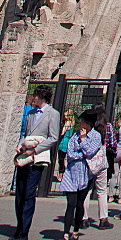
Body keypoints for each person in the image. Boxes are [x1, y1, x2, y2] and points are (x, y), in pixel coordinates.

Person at [14, 84, 61, 240]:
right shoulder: (30, 114)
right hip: (24, 158)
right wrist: (20, 145)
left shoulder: (52, 114)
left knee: (28, 194)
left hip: (37, 158)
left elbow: (53, 138)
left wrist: (35, 150)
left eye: (35, 95)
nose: (33, 98)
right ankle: (19, 226)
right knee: (20, 194)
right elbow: (26, 133)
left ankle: (24, 231)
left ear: (41, 97)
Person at [59, 110, 102, 240]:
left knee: (79, 203)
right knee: (70, 203)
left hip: (85, 174)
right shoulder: (75, 135)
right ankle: (66, 231)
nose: (80, 123)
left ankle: (76, 230)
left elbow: (90, 151)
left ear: (89, 124)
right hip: (72, 173)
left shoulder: (96, 136)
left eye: (83, 121)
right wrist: (81, 154)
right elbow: (70, 152)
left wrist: (83, 141)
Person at [82, 105, 115, 229]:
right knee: (102, 191)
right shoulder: (108, 126)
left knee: (86, 190)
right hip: (101, 160)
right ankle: (103, 218)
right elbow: (113, 143)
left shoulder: (89, 126)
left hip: (89, 160)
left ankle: (83, 218)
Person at [57, 111, 76, 180]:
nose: (64, 117)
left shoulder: (67, 123)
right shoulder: (72, 123)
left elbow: (62, 132)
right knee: (65, 159)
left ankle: (61, 173)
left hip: (63, 142)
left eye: (66, 116)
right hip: (68, 141)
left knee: (61, 159)